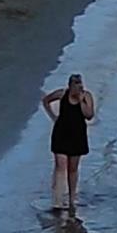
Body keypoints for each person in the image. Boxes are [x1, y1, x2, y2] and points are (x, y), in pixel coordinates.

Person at [43, 74, 95, 217]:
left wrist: (81, 100)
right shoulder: (62, 94)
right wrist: (53, 116)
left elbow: (89, 115)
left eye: (80, 85)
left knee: (73, 169)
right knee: (61, 165)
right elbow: (46, 100)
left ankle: (72, 199)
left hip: (77, 136)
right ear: (70, 85)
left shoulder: (86, 96)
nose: (78, 88)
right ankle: (58, 200)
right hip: (61, 134)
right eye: (76, 85)